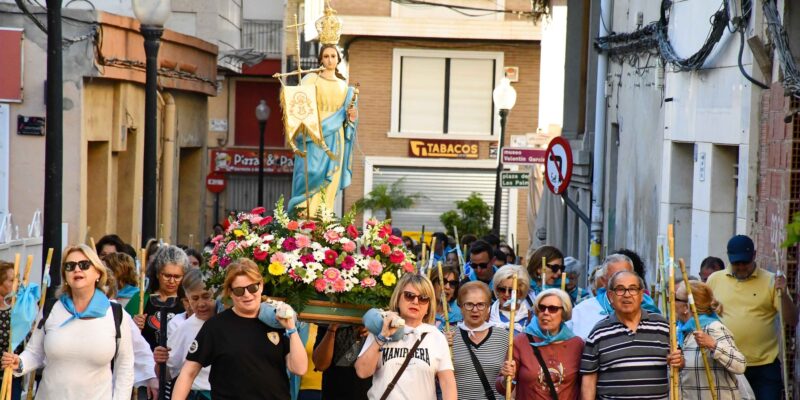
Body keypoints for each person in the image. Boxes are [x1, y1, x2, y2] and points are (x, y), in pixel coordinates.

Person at [1, 244, 134, 399]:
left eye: (84, 265)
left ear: (97, 272)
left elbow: (125, 366)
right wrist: (20, 362)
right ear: (65, 275)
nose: (77, 269)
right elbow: (35, 352)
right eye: (70, 266)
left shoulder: (115, 314)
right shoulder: (50, 308)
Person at [173, 258, 307, 399]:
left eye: (252, 288)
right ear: (230, 292)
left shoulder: (276, 322)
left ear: (260, 286)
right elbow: (188, 372)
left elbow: (299, 368)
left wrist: (291, 329)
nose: (247, 295)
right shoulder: (216, 327)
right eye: (239, 291)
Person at [706, 235, 797, 400]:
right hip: (726, 363)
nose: (741, 267)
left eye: (745, 263)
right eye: (736, 263)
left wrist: (783, 295)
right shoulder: (714, 280)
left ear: (754, 256)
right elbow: (703, 314)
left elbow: (792, 319)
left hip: (764, 367)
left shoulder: (771, 281)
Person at [580, 271, 683, 399]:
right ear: (611, 296)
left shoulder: (662, 326)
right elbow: (589, 380)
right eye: (620, 289)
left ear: (641, 295)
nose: (627, 295)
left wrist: (679, 360)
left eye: (633, 289)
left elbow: (680, 361)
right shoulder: (598, 332)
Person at [355, 274, 456, 400]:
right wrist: (382, 336)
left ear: (429, 305)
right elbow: (362, 372)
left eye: (423, 298)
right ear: (398, 298)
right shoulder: (381, 327)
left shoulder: (435, 336)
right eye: (409, 295)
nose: (415, 302)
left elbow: (448, 384)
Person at [288, 43, 358, 215]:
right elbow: (299, 103)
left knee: (331, 177)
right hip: (313, 132)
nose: (329, 60)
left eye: (333, 56)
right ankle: (303, 212)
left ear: (338, 59)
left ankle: (323, 215)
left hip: (335, 135)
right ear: (320, 59)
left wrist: (352, 115)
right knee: (310, 171)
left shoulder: (343, 85)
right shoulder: (311, 79)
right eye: (326, 56)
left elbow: (348, 117)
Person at [497, 289, 583, 399]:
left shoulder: (577, 344)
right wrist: (506, 379)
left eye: (552, 309)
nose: (546, 312)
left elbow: (585, 385)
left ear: (564, 313)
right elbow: (502, 389)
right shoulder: (521, 341)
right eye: (542, 308)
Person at [676, 280, 745, 400]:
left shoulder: (713, 328)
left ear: (686, 307)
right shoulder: (679, 331)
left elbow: (740, 365)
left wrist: (713, 345)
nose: (671, 302)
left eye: (675, 299)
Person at [567, 253, 660, 340]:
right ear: (604, 281)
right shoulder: (582, 312)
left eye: (626, 275)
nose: (622, 281)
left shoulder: (650, 311)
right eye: (615, 277)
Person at [154, 268, 214, 399]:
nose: (201, 304)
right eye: (195, 298)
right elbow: (166, 374)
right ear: (187, 300)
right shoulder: (184, 328)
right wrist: (159, 362)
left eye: (206, 296)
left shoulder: (229, 320)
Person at [125, 245, 188, 351]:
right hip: (146, 362)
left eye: (177, 277)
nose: (172, 281)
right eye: (167, 276)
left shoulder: (188, 302)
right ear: (158, 274)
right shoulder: (140, 299)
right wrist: (133, 326)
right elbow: (122, 333)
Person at [452, 281, 507, 400]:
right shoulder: (448, 336)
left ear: (488, 308)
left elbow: (510, 383)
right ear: (461, 307)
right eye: (469, 304)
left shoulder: (504, 337)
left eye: (481, 304)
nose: (475, 309)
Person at [313, 323, 371, 400]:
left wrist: (375, 335)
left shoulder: (376, 325)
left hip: (368, 393)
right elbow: (320, 365)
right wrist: (332, 329)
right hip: (334, 392)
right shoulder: (326, 324)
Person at [0, 261, 22, 400]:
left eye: (17, 280)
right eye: (11, 280)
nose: (16, 284)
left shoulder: (17, 309)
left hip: (12, 378)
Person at [488, 265, 532, 334]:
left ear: (520, 293)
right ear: (496, 290)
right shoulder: (487, 314)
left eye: (512, 291)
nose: (506, 294)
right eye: (502, 289)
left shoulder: (529, 316)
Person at [429, 263, 462, 331]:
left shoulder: (459, 316)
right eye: (443, 281)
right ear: (432, 283)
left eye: (452, 283)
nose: (447, 287)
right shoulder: (422, 310)